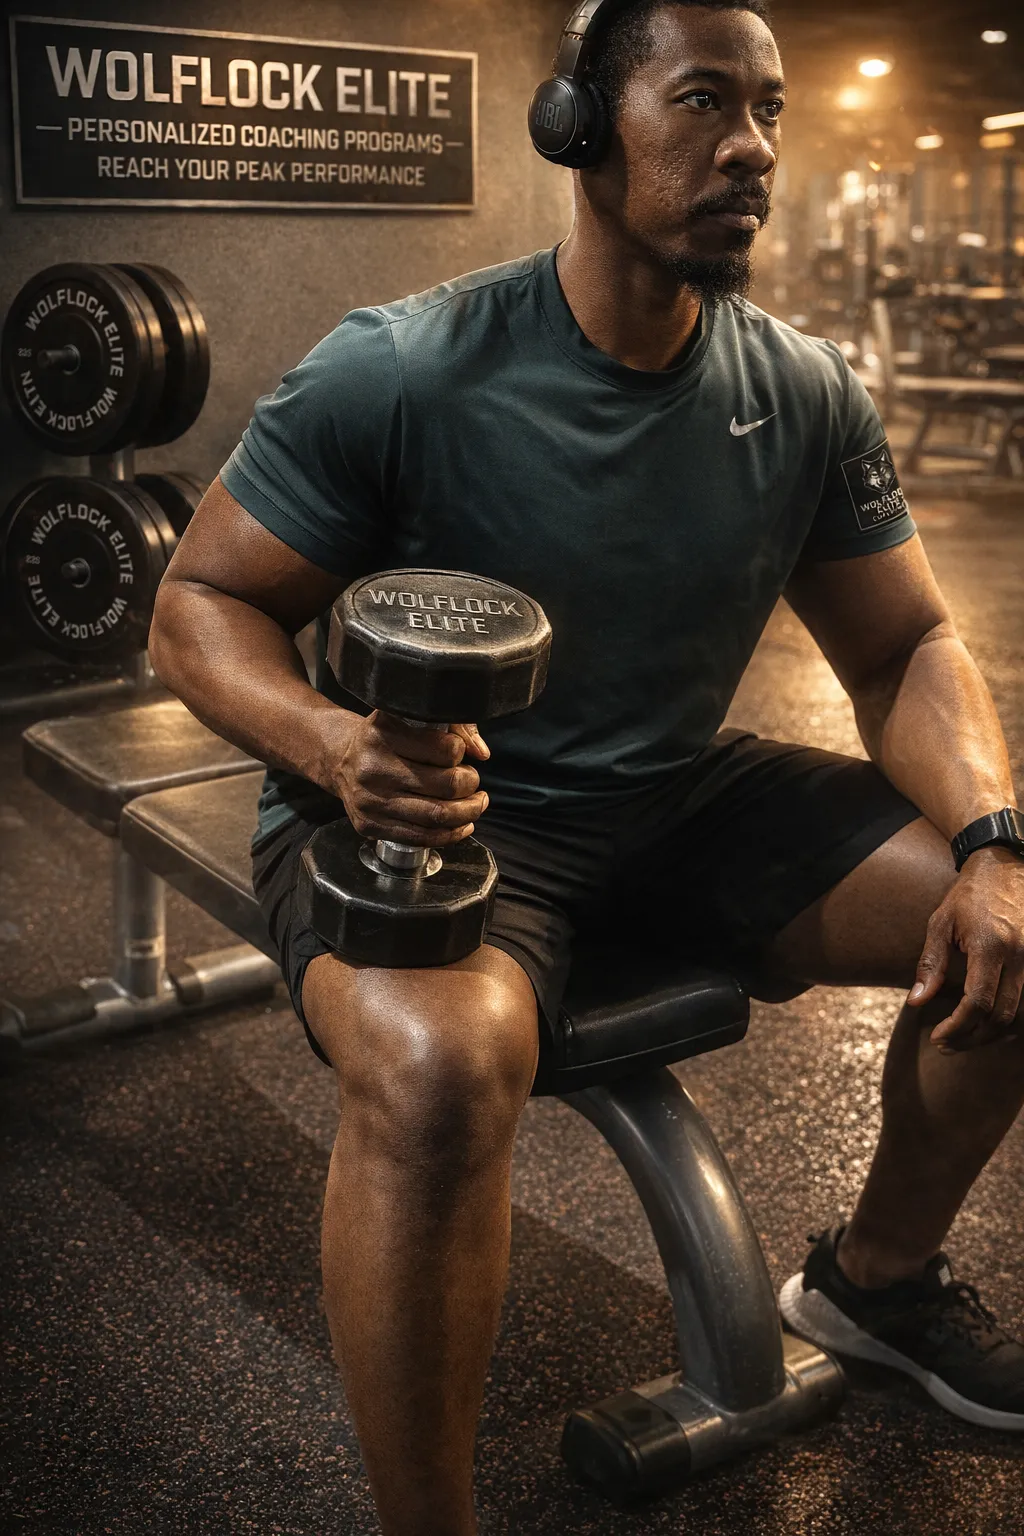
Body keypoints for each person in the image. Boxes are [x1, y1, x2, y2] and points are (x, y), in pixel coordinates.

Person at [149, 2, 1024, 1530]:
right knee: (434, 1073)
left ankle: (876, 1286)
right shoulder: (405, 369)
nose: (750, 145)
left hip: (674, 791)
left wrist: (995, 838)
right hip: (431, 809)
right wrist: (337, 744)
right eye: (701, 103)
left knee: (1022, 927)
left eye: (768, 110)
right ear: (578, 127)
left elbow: (901, 652)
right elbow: (199, 605)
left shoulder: (802, 389)